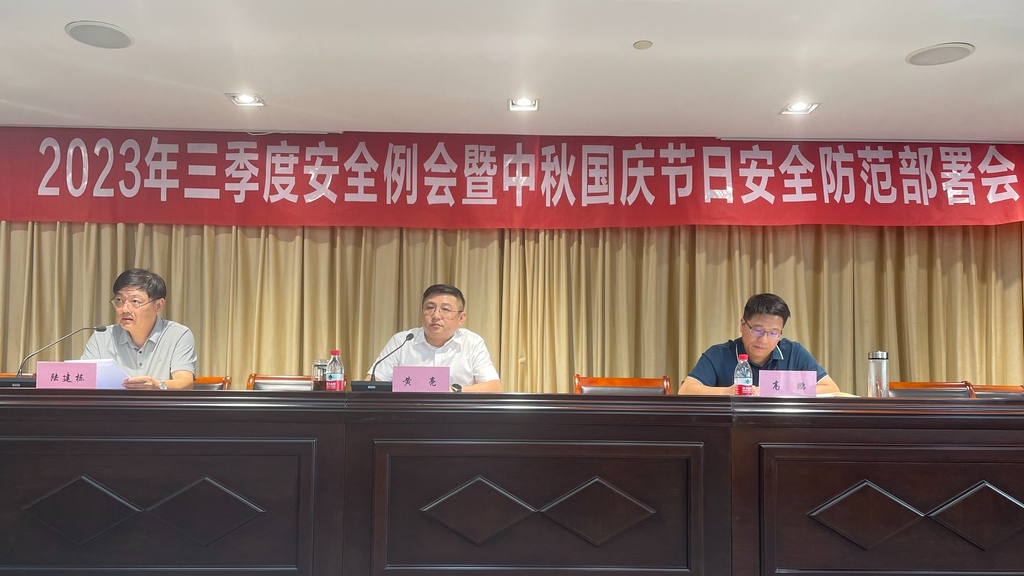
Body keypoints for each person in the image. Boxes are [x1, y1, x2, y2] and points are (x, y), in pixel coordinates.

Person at [678, 293, 840, 396]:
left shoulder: (793, 352)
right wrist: (728, 391)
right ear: (743, 324)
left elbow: (830, 388)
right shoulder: (719, 354)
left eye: (773, 333)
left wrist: (776, 390)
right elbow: (686, 390)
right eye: (757, 330)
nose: (764, 340)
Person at [367, 284, 501, 393]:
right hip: (409, 414)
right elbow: (371, 383)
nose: (436, 315)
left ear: (461, 318)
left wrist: (453, 390)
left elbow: (494, 387)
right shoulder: (402, 341)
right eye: (430, 308)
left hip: (456, 414)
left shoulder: (471, 342)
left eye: (445, 310)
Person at [82, 268, 196, 390]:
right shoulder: (102, 337)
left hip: (158, 402)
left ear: (158, 306)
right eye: (119, 300)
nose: (124, 309)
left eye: (135, 301)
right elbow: (82, 379)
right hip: (112, 403)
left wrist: (156, 385)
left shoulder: (178, 335)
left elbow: (185, 382)